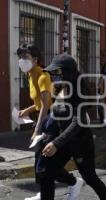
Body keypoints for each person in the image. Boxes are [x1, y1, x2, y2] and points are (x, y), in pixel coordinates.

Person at [40, 54, 106, 200]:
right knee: (47, 174)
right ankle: (73, 182)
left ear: (68, 72)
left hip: (80, 144)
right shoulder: (58, 88)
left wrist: (55, 143)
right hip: (63, 142)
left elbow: (78, 122)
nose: (53, 75)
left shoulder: (79, 91)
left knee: (90, 178)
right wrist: (44, 132)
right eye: (52, 72)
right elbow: (56, 114)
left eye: (57, 72)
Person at [17, 44, 81, 200]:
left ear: (35, 59)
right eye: (20, 57)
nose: (21, 60)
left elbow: (47, 104)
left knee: (45, 163)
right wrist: (28, 110)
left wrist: (38, 129)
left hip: (52, 120)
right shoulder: (30, 75)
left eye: (25, 57)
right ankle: (45, 192)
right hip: (43, 118)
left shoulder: (42, 76)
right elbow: (39, 103)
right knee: (40, 160)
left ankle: (72, 181)